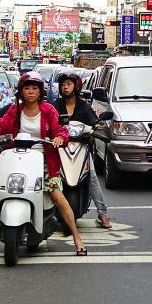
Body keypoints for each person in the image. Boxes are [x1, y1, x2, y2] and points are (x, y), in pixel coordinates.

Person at [0, 72, 88, 255]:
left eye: (35, 88)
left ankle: (76, 237)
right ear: (21, 91)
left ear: (41, 91)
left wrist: (59, 138)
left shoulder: (49, 110)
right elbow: (0, 126)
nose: (31, 92)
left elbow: (60, 130)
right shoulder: (14, 110)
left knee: (57, 196)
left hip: (43, 161)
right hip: (17, 159)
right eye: (27, 88)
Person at [53, 71, 112, 230]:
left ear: (76, 87)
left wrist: (98, 127)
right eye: (63, 85)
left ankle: (102, 213)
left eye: (69, 84)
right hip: (58, 148)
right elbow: (48, 122)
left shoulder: (84, 106)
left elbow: (94, 121)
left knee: (92, 176)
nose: (65, 88)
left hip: (81, 147)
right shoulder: (55, 105)